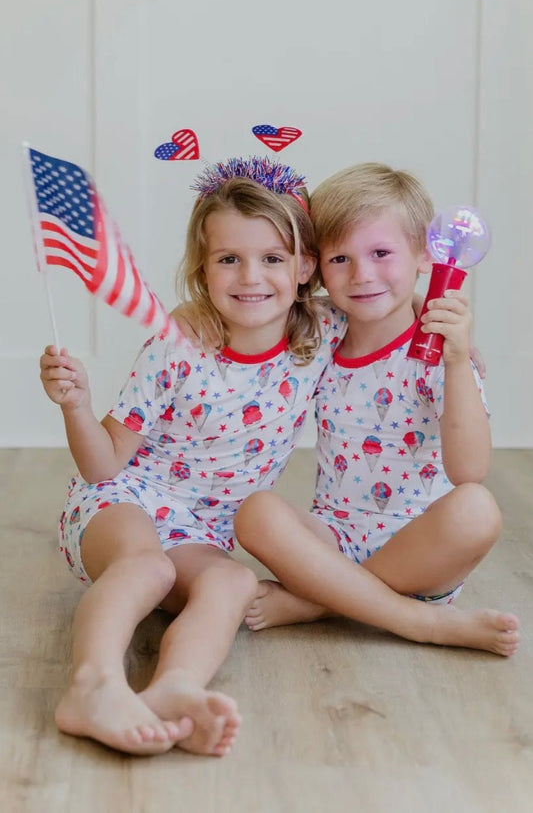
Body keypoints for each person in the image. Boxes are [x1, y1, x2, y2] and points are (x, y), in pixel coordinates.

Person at [39, 155, 352, 757]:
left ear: (306, 266)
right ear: (203, 271)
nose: (250, 276)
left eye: (272, 258)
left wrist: (444, 330)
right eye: (228, 259)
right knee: (147, 567)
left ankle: (174, 686)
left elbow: (383, 303)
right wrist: (75, 405)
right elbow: (103, 465)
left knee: (233, 582)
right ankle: (93, 682)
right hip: (119, 499)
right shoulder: (179, 345)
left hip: (199, 528)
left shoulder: (321, 332)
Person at [234, 162, 520, 657]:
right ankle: (412, 619)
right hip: (333, 540)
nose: (362, 275)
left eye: (382, 253)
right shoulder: (320, 328)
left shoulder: (440, 349)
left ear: (426, 256)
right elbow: (246, 311)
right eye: (340, 258)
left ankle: (322, 603)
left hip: (422, 552)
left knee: (477, 510)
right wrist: (186, 312)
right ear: (316, 265)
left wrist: (455, 364)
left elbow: (469, 469)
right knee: (255, 512)